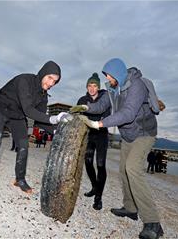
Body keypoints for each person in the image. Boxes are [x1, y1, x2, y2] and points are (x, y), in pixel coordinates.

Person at [71, 58, 165, 239]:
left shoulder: (137, 86)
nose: (107, 78)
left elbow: (128, 114)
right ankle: (130, 208)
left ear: (118, 73)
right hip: (128, 136)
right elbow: (101, 105)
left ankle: (153, 223)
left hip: (144, 133)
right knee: (123, 171)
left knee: (133, 169)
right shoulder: (113, 89)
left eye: (108, 75)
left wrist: (99, 123)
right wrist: (85, 107)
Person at [0, 61, 71, 205]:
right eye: (49, 78)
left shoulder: (43, 96)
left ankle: (20, 179)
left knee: (23, 146)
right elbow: (29, 110)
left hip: (17, 116)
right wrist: (55, 118)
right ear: (43, 73)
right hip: (0, 108)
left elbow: (40, 120)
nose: (51, 83)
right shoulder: (24, 80)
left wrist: (56, 131)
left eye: (55, 81)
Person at [76, 73, 110, 210]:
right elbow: (78, 116)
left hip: (101, 133)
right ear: (86, 86)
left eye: (95, 85)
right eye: (89, 85)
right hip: (89, 134)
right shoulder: (82, 99)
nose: (92, 88)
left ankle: (98, 198)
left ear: (98, 87)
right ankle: (95, 187)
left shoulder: (105, 98)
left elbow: (106, 115)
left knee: (100, 165)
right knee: (88, 162)